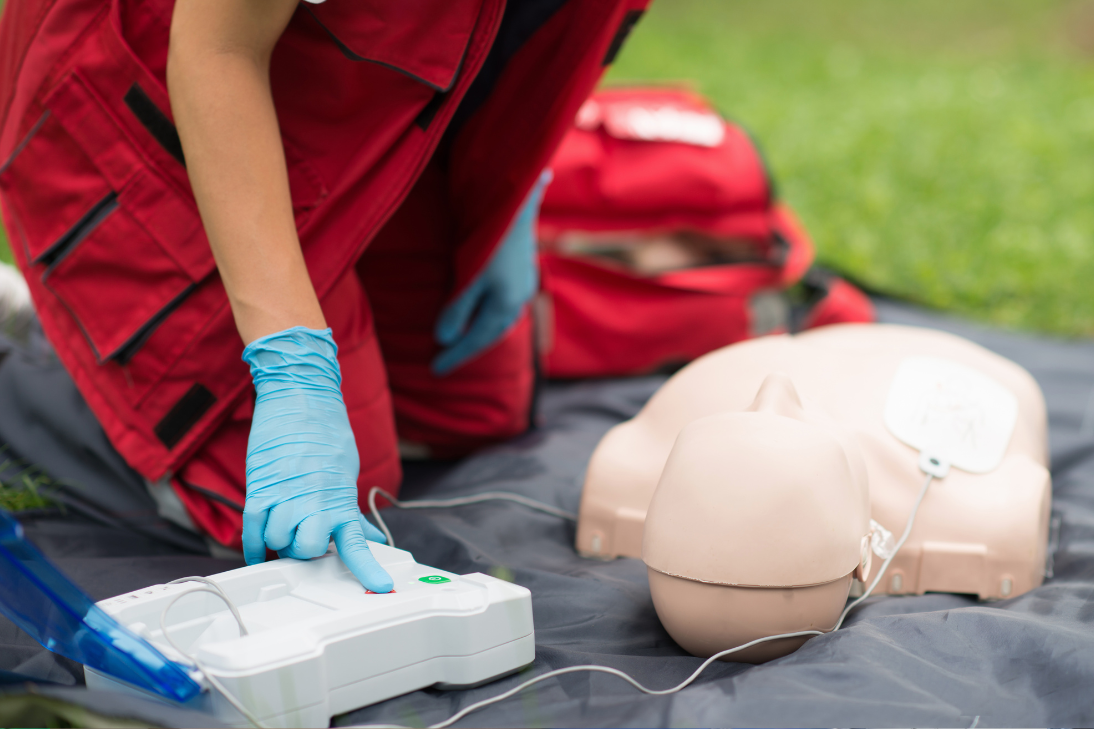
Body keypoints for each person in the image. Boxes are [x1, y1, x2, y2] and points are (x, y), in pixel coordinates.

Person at [0, 0, 648, 592]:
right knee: (308, 523)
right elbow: (217, 51)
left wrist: (522, 187)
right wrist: (292, 368)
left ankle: (112, 342)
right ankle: (65, 340)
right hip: (152, 92)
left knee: (474, 412)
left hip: (350, 104)